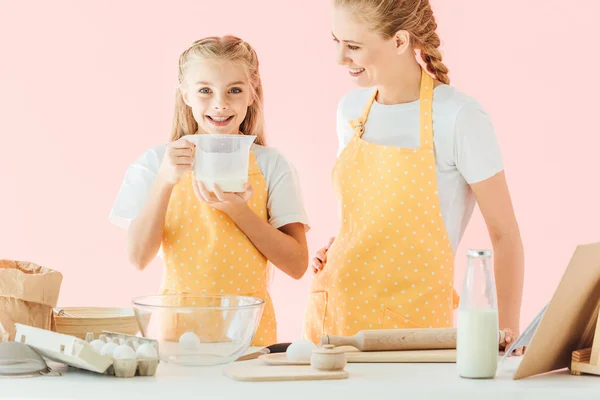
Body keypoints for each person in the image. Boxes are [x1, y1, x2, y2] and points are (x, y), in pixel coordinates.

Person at [304, 0, 524, 355]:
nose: (340, 58)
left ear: (400, 41)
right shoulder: (350, 110)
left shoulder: (458, 116)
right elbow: (369, 218)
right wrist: (339, 244)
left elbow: (505, 233)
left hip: (414, 329)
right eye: (336, 41)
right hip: (333, 319)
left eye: (354, 46)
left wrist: (507, 335)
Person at [110, 36, 310, 346]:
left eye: (234, 90)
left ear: (251, 93)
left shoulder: (272, 165)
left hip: (248, 336)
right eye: (205, 90)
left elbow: (297, 265)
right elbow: (138, 257)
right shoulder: (154, 163)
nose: (220, 103)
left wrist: (238, 211)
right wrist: (165, 180)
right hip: (177, 336)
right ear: (186, 94)